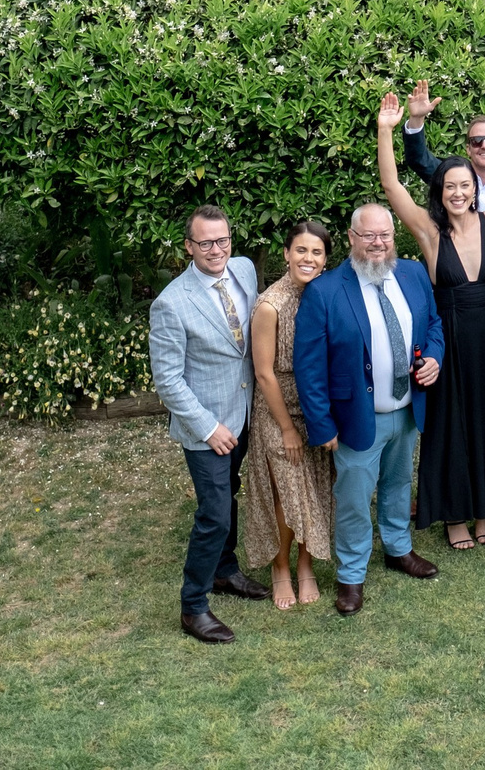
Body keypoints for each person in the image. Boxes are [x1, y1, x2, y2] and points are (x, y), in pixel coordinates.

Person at [293, 203, 445, 617]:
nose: (378, 243)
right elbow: (309, 368)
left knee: (398, 484)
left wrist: (434, 357)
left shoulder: (413, 274)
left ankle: (398, 549)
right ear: (351, 238)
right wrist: (322, 425)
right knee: (355, 499)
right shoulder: (325, 291)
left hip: (407, 409)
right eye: (369, 236)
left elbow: (433, 324)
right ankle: (351, 574)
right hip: (356, 417)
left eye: (385, 235)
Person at [376, 93, 485, 550]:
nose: (457, 193)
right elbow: (391, 186)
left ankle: (484, 508)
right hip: (449, 335)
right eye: (449, 186)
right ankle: (454, 514)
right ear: (440, 191)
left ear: (475, 188)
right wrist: (387, 129)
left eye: (464, 185)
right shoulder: (430, 231)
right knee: (451, 424)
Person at [149, 204, 272, 643]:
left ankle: (224, 570)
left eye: (222, 240)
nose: (216, 250)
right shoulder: (171, 304)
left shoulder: (244, 269)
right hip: (207, 429)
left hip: (245, 413)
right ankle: (193, 606)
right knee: (214, 514)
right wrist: (208, 427)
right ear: (188, 246)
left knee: (230, 494)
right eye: (205, 243)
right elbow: (168, 380)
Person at [241, 217, 338, 610]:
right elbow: (264, 373)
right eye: (301, 250)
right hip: (278, 409)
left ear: (326, 259)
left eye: (317, 252)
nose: (308, 258)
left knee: (316, 487)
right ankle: (280, 566)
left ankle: (305, 563)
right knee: (286, 491)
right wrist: (286, 428)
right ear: (286, 253)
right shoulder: (270, 305)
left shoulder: (325, 295)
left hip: (316, 406)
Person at [401, 78, 485, 231]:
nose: (484, 146)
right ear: (468, 148)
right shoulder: (447, 177)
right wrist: (416, 119)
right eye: (477, 141)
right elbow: (418, 159)